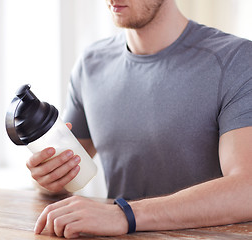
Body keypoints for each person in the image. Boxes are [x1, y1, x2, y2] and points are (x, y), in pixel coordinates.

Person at [26, 0, 252, 238]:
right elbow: (66, 173)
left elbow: (247, 188)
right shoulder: (91, 64)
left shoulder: (236, 60)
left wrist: (125, 215)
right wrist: (46, 178)